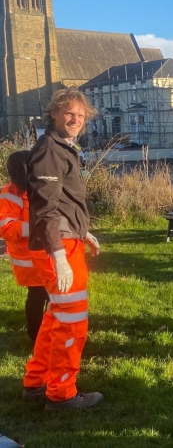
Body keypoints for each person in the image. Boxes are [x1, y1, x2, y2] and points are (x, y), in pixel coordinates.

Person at [22, 88, 103, 410]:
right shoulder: (50, 151)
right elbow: (45, 207)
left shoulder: (60, 148)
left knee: (56, 317)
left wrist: (84, 232)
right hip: (59, 248)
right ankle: (62, 393)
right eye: (69, 113)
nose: (75, 119)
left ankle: (36, 382)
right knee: (71, 321)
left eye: (81, 116)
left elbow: (63, 202)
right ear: (53, 113)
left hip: (67, 240)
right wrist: (59, 256)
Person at [0, 150, 49, 344]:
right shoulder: (9, 194)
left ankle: (48, 331)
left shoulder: (37, 188)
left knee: (51, 295)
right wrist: (34, 229)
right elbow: (5, 226)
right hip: (28, 259)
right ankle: (36, 335)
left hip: (44, 254)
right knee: (38, 296)